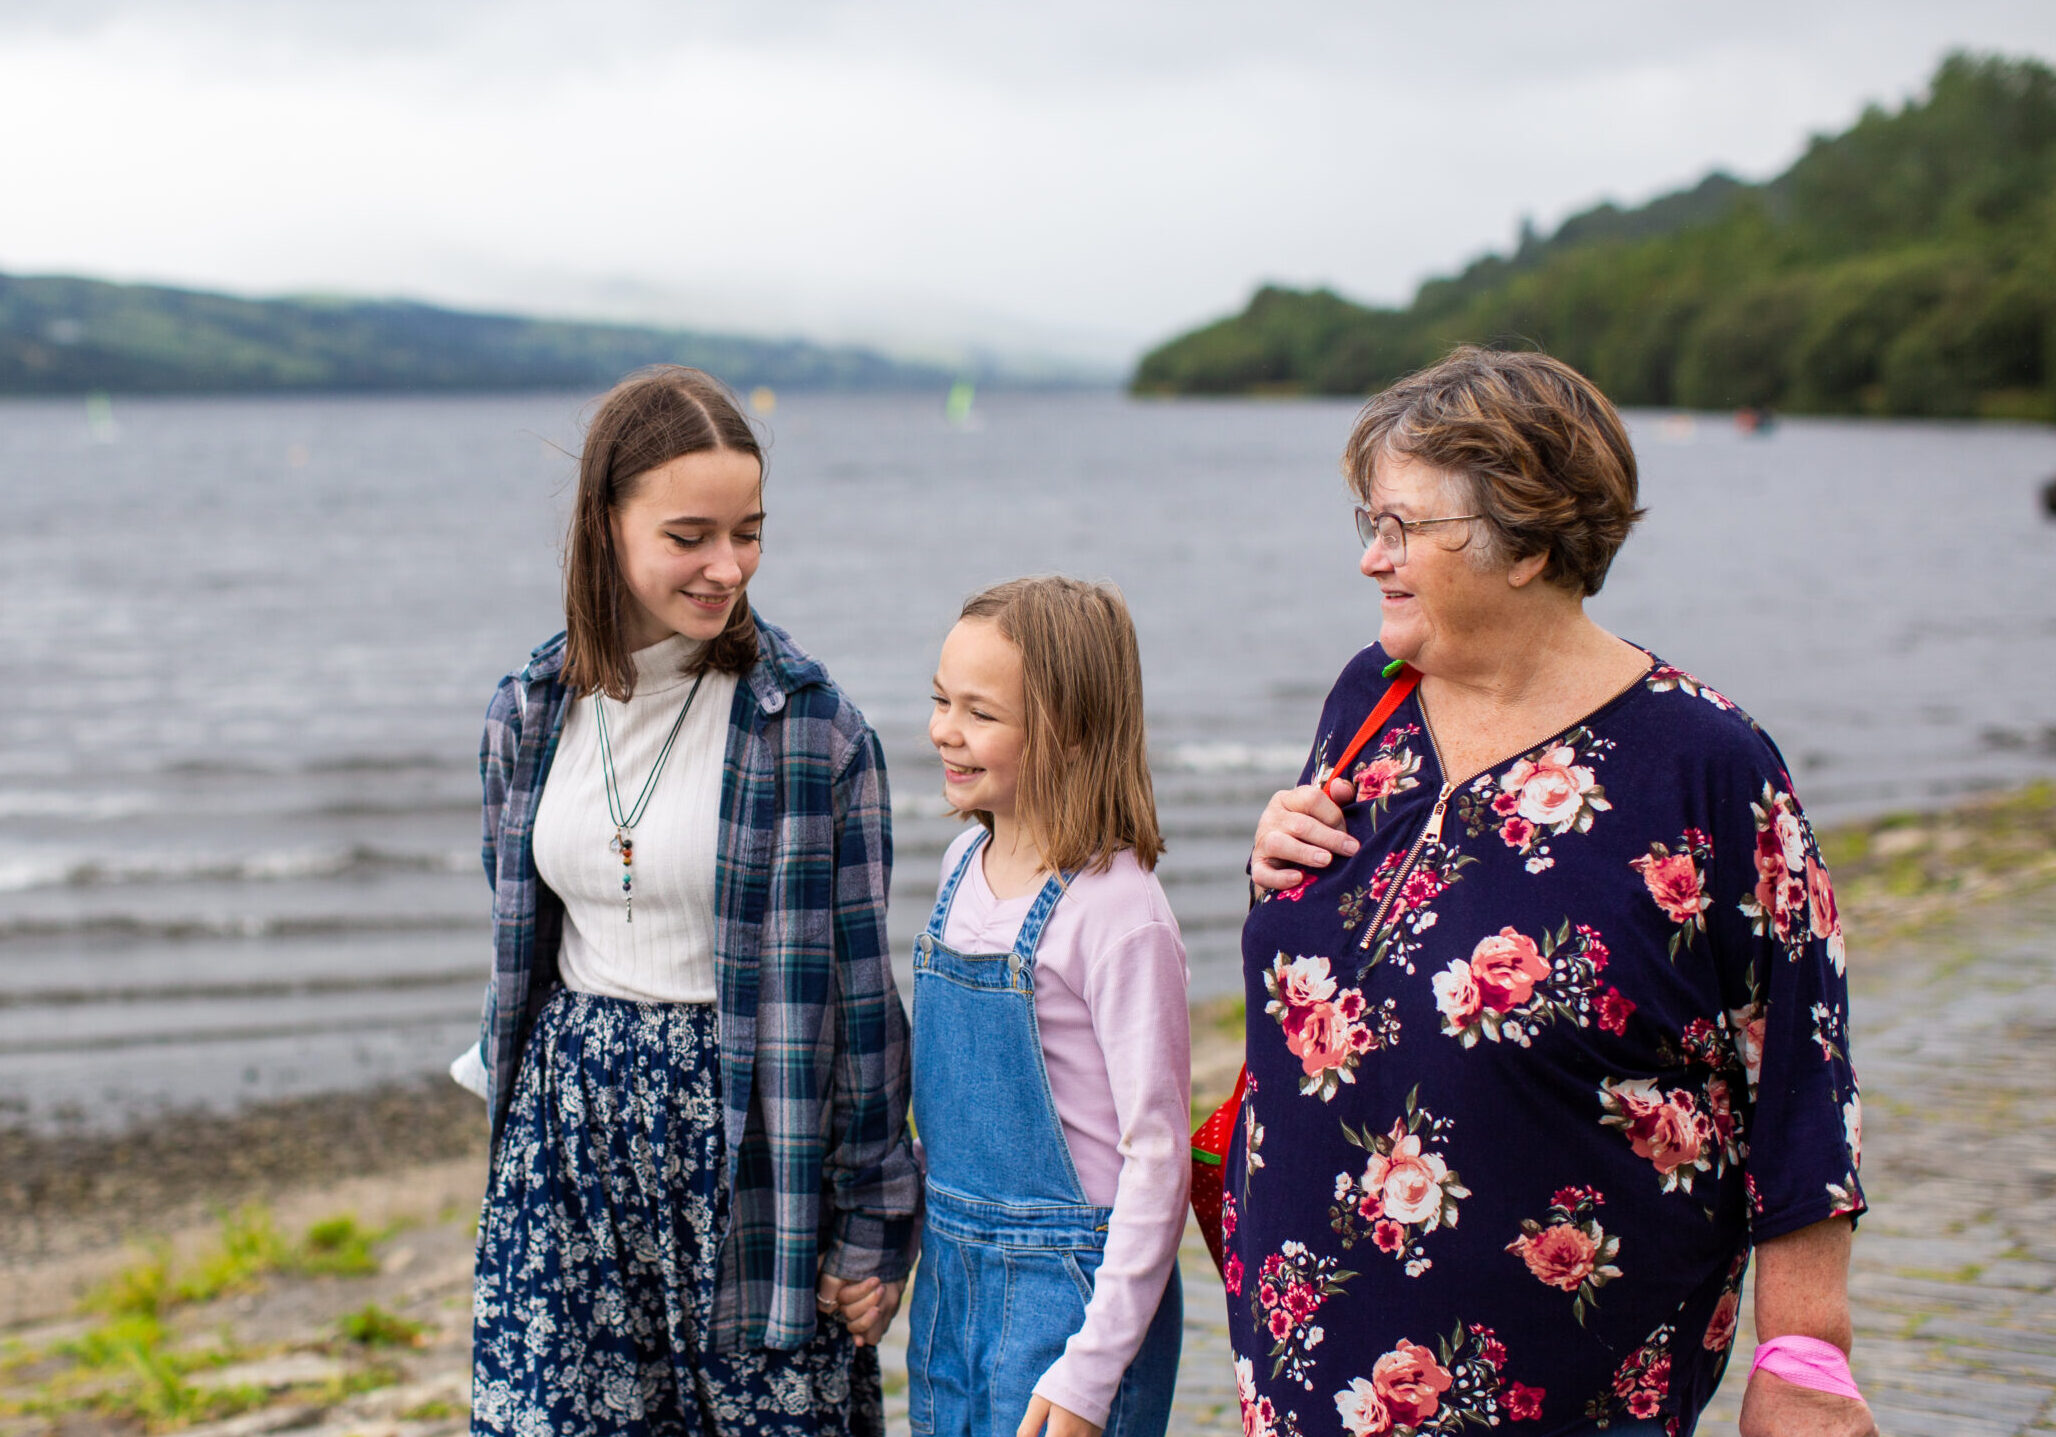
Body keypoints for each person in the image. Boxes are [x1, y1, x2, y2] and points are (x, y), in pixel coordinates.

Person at [1235, 348, 1874, 1437]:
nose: (1371, 560)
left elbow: (1801, 1073)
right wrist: (1273, 857)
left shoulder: (1704, 766)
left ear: (1526, 540)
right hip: (1307, 1365)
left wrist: (1805, 1352)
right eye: (1366, 523)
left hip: (1554, 1387)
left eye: (1403, 527)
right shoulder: (1371, 696)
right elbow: (1367, 934)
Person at [466, 366, 920, 1437]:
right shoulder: (526, 714)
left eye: (749, 532)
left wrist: (872, 1225)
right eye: (690, 536)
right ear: (605, 526)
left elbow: (858, 1000)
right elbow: (517, 958)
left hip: (752, 1157)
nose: (728, 567)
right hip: (565, 1153)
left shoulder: (812, 730)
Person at [851, 576, 1190, 1437]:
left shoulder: (1118, 910)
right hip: (951, 1277)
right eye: (939, 700)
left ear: (1069, 732)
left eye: (979, 713)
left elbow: (1157, 1160)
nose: (943, 730)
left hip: (1068, 1296)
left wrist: (1092, 1367)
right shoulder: (962, 863)